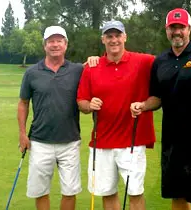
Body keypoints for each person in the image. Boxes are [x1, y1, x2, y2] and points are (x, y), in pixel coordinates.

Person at [130, 8, 191, 210]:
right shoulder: (161, 61)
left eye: (181, 27)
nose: (177, 32)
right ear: (167, 30)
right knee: (177, 195)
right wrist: (143, 105)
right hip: (172, 140)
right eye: (172, 27)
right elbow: (157, 98)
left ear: (189, 29)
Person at [77, 20, 156, 210]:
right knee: (107, 193)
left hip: (133, 142)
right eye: (109, 36)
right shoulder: (91, 67)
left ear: (125, 37)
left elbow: (171, 61)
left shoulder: (144, 61)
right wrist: (90, 105)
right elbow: (81, 101)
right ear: (103, 39)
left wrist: (144, 105)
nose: (114, 40)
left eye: (118, 35)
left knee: (135, 192)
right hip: (102, 141)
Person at [18, 26, 83, 210]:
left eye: (59, 40)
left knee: (70, 191)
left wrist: (94, 59)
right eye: (51, 41)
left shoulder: (77, 70)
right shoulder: (32, 72)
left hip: (70, 141)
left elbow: (98, 71)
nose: (55, 45)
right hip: (39, 141)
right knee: (40, 191)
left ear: (66, 44)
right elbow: (23, 103)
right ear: (44, 45)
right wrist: (22, 134)